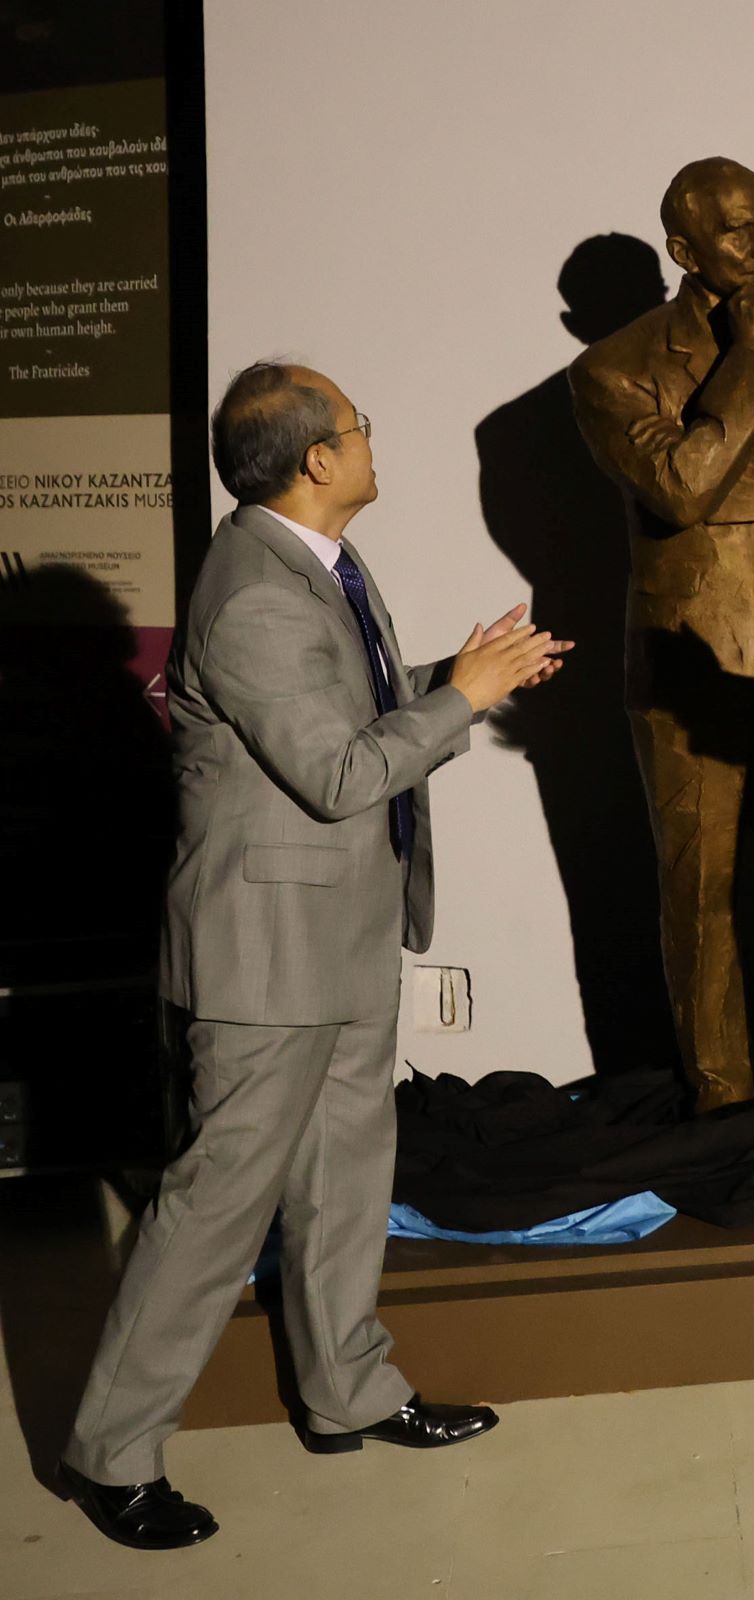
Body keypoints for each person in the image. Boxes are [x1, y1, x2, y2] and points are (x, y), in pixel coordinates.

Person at [56, 363, 568, 1549]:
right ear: (316, 460)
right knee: (215, 1208)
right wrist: (463, 700)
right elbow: (339, 775)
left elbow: (344, 716)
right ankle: (109, 1452)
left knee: (347, 1179)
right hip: (266, 957)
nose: (371, 438)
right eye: (357, 426)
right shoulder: (255, 594)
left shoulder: (319, 563)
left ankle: (350, 1390)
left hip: (339, 935)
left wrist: (460, 679)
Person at [568, 157, 754, 1112]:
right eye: (739, 230)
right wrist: (748, 371)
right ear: (683, 248)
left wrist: (711, 461)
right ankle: (723, 1106)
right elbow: (678, 490)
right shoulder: (613, 368)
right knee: (699, 889)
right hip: (683, 658)